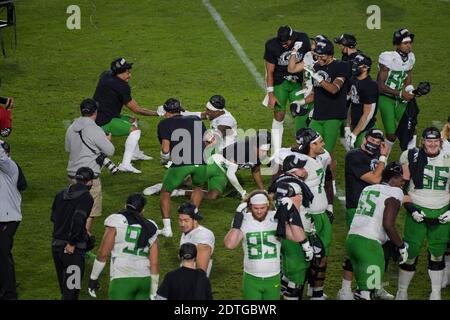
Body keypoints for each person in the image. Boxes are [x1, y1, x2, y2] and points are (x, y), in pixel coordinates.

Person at [224, 191, 313, 300]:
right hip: (251, 277)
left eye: (262, 208)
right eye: (256, 208)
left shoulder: (275, 218)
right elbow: (230, 244)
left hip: (273, 277)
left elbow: (298, 237)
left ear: (268, 205)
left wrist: (292, 212)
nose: (259, 211)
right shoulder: (244, 219)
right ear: (250, 206)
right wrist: (237, 219)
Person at [396, 127, 450, 300]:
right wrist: (411, 210)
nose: (432, 144)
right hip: (417, 204)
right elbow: (400, 187)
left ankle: (436, 292)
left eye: (436, 141)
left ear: (440, 142)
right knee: (410, 253)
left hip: (442, 207)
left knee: (438, 253)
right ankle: (402, 291)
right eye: (429, 141)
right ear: (423, 141)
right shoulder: (410, 155)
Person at [337, 128, 389, 300]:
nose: (374, 143)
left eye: (377, 141)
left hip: (375, 209)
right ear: (364, 139)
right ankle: (345, 289)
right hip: (358, 209)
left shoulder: (375, 159)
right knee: (357, 250)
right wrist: (383, 158)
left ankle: (374, 285)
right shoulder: (354, 156)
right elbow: (374, 179)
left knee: (376, 250)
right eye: (372, 139)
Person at [346, 162, 408, 300]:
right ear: (392, 178)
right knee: (371, 290)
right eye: (399, 177)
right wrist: (401, 246)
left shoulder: (368, 189)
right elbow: (388, 224)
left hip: (352, 240)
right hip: (369, 245)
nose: (402, 180)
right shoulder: (396, 192)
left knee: (363, 291)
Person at [147, 98, 207, 237]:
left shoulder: (164, 123)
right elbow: (207, 140)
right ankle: (192, 219)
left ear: (167, 112)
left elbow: (166, 149)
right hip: (202, 161)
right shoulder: (195, 119)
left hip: (182, 163)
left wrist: (164, 159)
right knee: (197, 188)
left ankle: (167, 229)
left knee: (165, 192)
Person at [87, 193, 159, 300]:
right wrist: (153, 293)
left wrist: (93, 278)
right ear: (142, 210)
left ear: (125, 205)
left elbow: (103, 254)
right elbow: (154, 263)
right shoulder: (152, 226)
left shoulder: (117, 221)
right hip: (145, 280)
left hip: (122, 278)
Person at [93, 57, 159, 173]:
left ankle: (135, 154)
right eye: (127, 72)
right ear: (119, 73)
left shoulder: (106, 75)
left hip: (100, 114)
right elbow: (137, 109)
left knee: (133, 120)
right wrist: (157, 113)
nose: (130, 75)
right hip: (104, 120)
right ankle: (125, 164)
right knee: (135, 130)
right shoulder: (122, 86)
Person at [268, 155, 314, 300]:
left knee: (287, 273)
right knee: (297, 272)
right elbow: (292, 216)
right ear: (293, 170)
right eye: (301, 167)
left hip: (282, 232)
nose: (304, 170)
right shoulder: (293, 186)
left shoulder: (279, 181)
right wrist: (304, 243)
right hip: (295, 234)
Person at [65, 98, 115, 234]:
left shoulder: (71, 128)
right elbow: (110, 150)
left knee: (74, 209)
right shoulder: (95, 129)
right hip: (89, 178)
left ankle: (71, 238)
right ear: (95, 112)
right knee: (88, 211)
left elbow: (68, 148)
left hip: (72, 175)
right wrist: (106, 140)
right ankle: (81, 243)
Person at [264, 25, 311, 153]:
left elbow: (311, 58)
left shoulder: (303, 38)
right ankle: (276, 149)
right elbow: (269, 71)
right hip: (280, 82)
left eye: (286, 42)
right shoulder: (272, 45)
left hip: (297, 83)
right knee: (279, 114)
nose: (284, 45)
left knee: (301, 112)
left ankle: (303, 146)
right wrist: (271, 94)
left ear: (292, 37)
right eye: (281, 42)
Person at [51, 167, 95, 300]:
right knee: (71, 290)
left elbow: (53, 217)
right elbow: (78, 219)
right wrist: (71, 242)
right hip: (73, 251)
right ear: (90, 182)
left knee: (65, 290)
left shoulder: (60, 194)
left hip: (56, 247)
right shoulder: (86, 197)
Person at [377, 28, 416, 155]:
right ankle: (384, 158)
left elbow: (408, 80)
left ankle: (412, 160)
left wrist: (412, 91)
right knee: (392, 134)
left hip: (400, 98)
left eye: (410, 42)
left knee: (411, 128)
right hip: (385, 98)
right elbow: (380, 86)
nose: (409, 45)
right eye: (405, 43)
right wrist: (400, 93)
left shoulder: (411, 58)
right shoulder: (387, 58)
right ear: (398, 44)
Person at [0, 140, 25, 300]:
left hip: (7, 219)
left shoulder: (10, 167)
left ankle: (9, 294)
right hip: (4, 217)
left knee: (3, 255)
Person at [288, 34, 327, 132]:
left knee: (315, 128)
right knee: (300, 127)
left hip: (318, 98)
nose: (312, 46)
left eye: (315, 44)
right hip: (306, 95)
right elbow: (291, 69)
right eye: (313, 43)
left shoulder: (327, 62)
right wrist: (294, 51)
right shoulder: (308, 55)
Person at [344, 54, 379, 150]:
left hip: (366, 128)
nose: (354, 67)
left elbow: (368, 114)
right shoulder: (353, 80)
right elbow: (353, 103)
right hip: (355, 125)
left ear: (365, 68)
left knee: (366, 159)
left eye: (356, 65)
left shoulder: (370, 86)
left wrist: (354, 134)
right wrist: (348, 125)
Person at [178, 202, 215, 277]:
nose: (182, 224)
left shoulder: (203, 235)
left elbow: (201, 271)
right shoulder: (187, 231)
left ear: (195, 219)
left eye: (186, 220)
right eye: (180, 220)